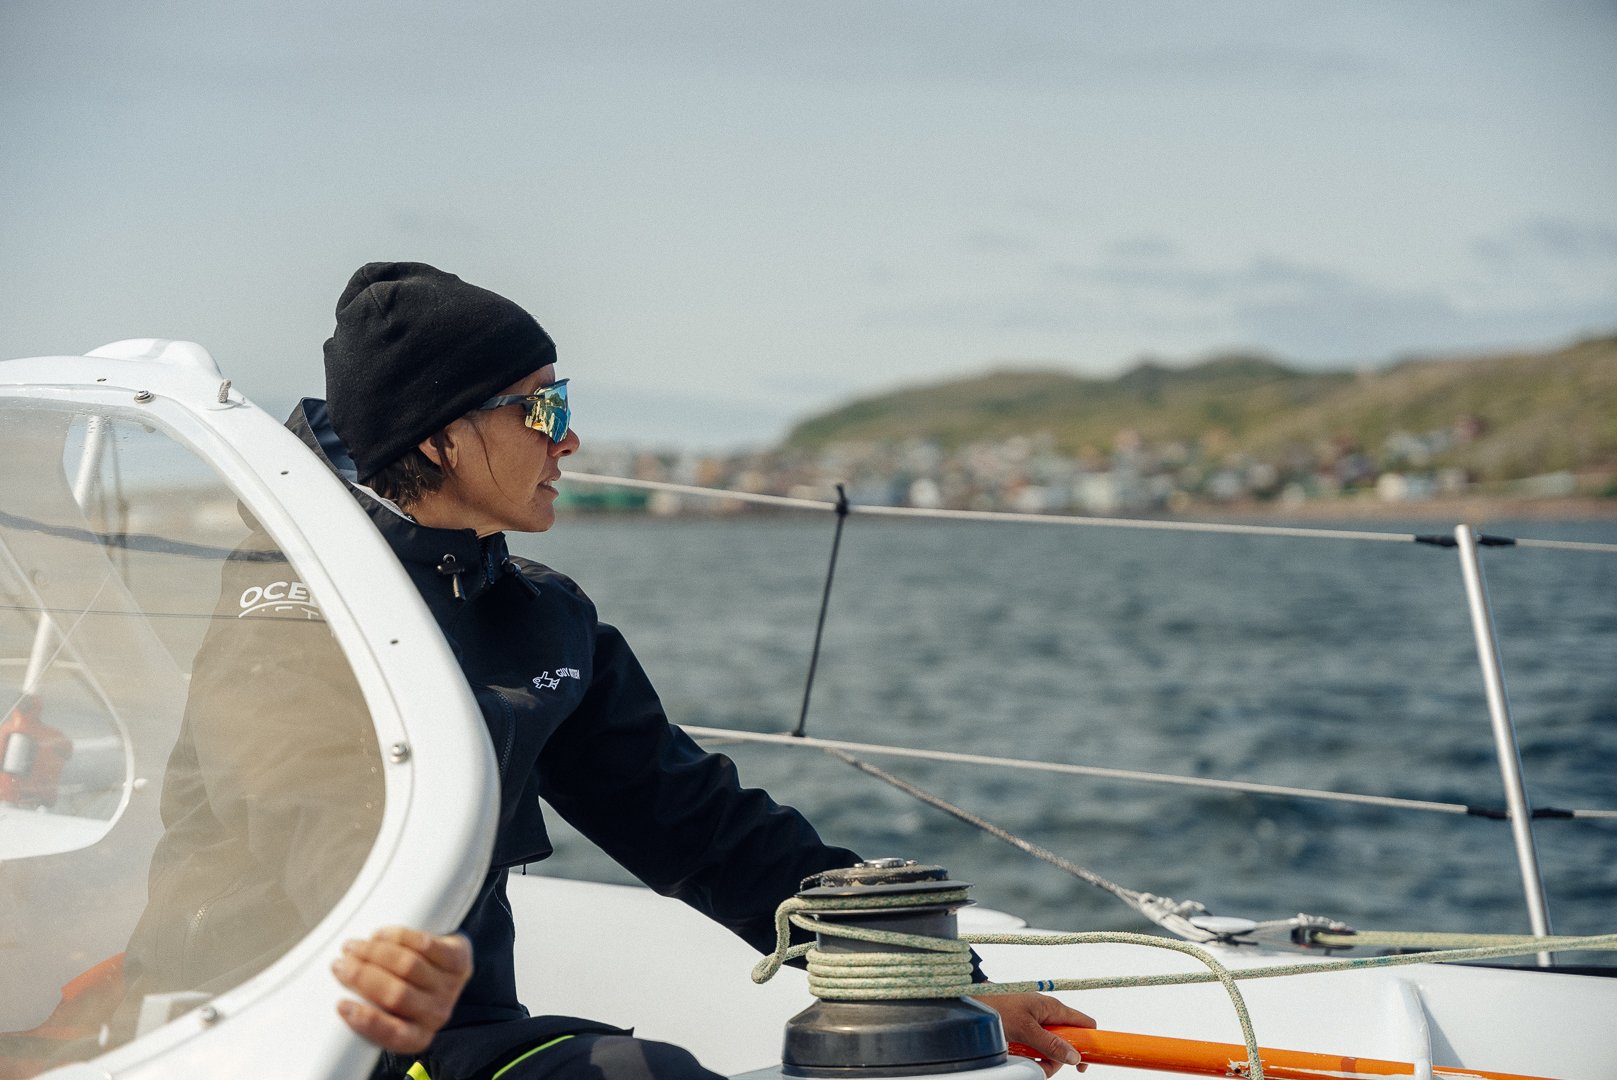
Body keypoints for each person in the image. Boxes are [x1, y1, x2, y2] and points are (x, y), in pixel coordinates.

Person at [289, 262, 1093, 1080]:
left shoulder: (539, 619)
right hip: (294, 1033)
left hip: (459, 1036)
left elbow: (701, 827)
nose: (568, 438)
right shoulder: (277, 604)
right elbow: (249, 838)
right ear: (438, 435)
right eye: (543, 407)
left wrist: (932, 985)